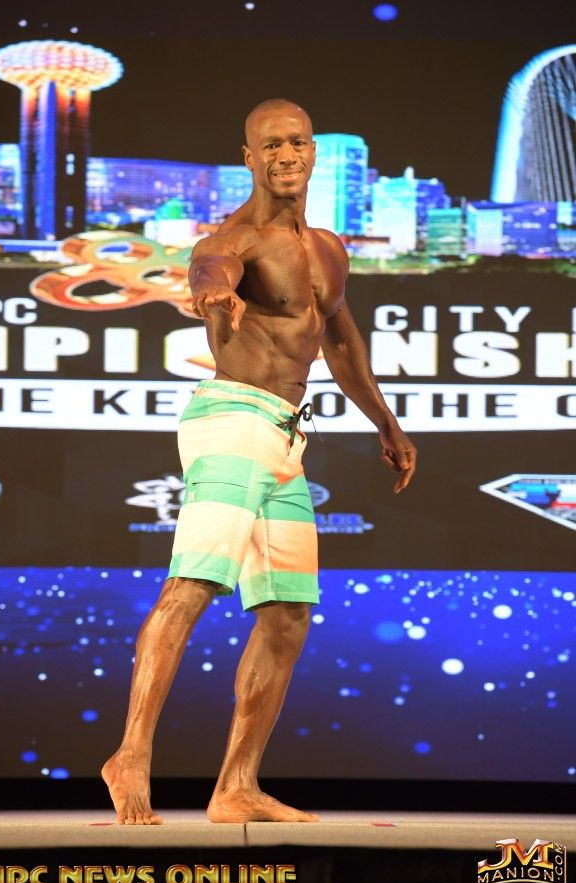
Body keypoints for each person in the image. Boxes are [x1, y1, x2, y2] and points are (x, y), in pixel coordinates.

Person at [102, 98, 416, 825]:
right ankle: (131, 754)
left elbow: (341, 342)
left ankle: (236, 786)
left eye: (296, 142)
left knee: (287, 613)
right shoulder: (232, 239)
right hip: (232, 419)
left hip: (284, 435)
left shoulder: (329, 249)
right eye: (270, 145)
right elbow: (210, 270)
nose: (285, 155)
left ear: (313, 152)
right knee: (192, 586)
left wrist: (387, 424)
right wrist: (213, 293)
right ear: (249, 158)